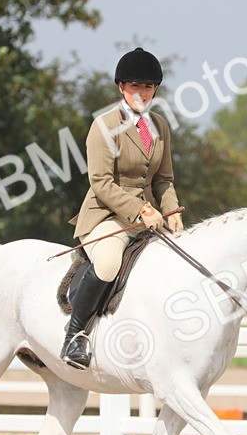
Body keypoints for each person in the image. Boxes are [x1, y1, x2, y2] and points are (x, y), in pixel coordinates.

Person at [61, 48, 182, 369]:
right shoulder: (103, 126)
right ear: (120, 87)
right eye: (134, 86)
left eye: (147, 87)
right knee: (110, 262)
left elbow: (164, 179)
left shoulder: (159, 126)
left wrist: (172, 213)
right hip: (105, 216)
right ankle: (75, 335)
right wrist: (142, 210)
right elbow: (100, 182)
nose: (141, 93)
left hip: (150, 219)